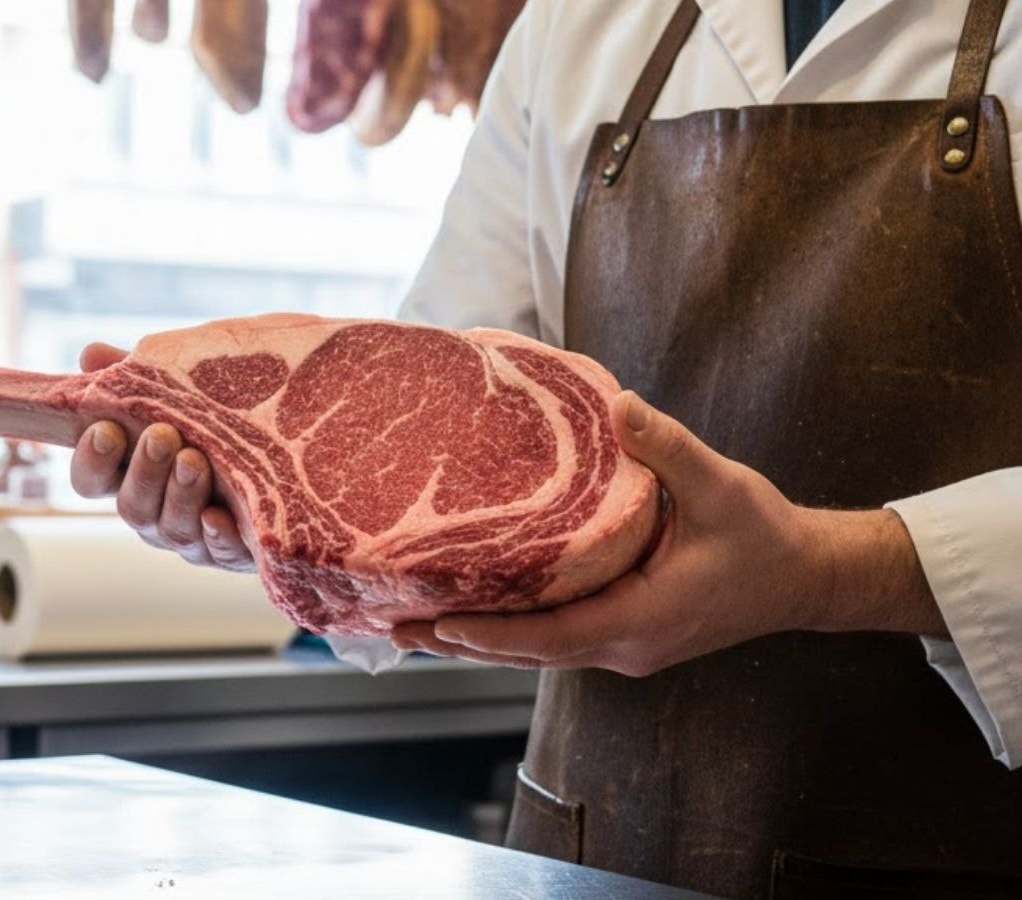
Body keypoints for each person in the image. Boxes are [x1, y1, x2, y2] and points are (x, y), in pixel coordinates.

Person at [70, 1, 1022, 896]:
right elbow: (428, 419)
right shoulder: (581, 21)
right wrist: (275, 500)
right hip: (594, 847)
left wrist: (828, 570)